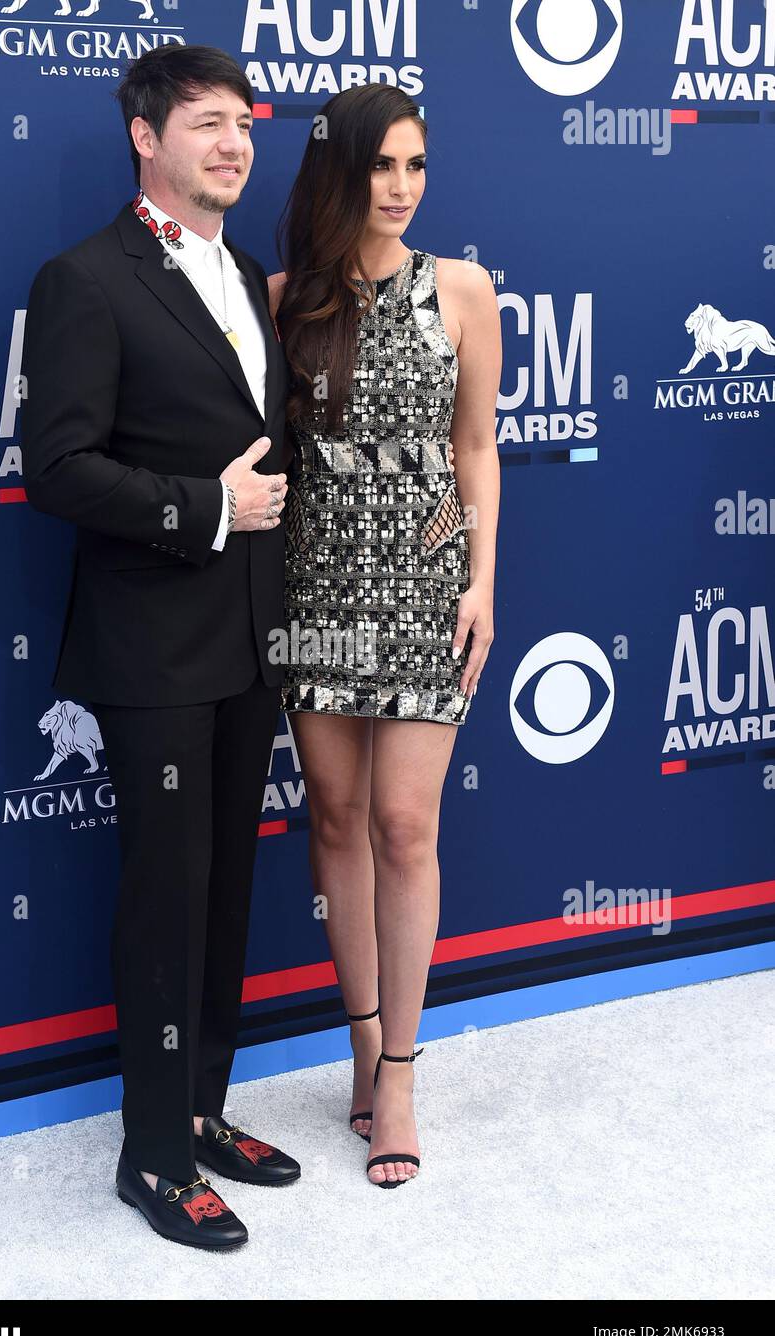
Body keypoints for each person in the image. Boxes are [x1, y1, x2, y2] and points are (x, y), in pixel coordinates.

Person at [20, 45, 300, 1252]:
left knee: (228, 887)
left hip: (247, 640)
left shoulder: (242, 266)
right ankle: (150, 1155)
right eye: (206, 125)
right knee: (166, 899)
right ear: (146, 135)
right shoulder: (87, 277)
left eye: (243, 124)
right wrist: (203, 508)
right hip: (152, 648)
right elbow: (58, 468)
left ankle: (200, 1108)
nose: (233, 144)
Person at [268, 84, 502, 1190]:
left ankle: (400, 1071)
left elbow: (478, 449)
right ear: (342, 172)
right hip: (314, 588)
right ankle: (358, 1044)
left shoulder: (462, 288)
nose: (402, 187)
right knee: (337, 816)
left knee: (407, 825)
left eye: (416, 165)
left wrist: (480, 585)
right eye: (381, 167)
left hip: (424, 589)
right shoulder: (286, 300)